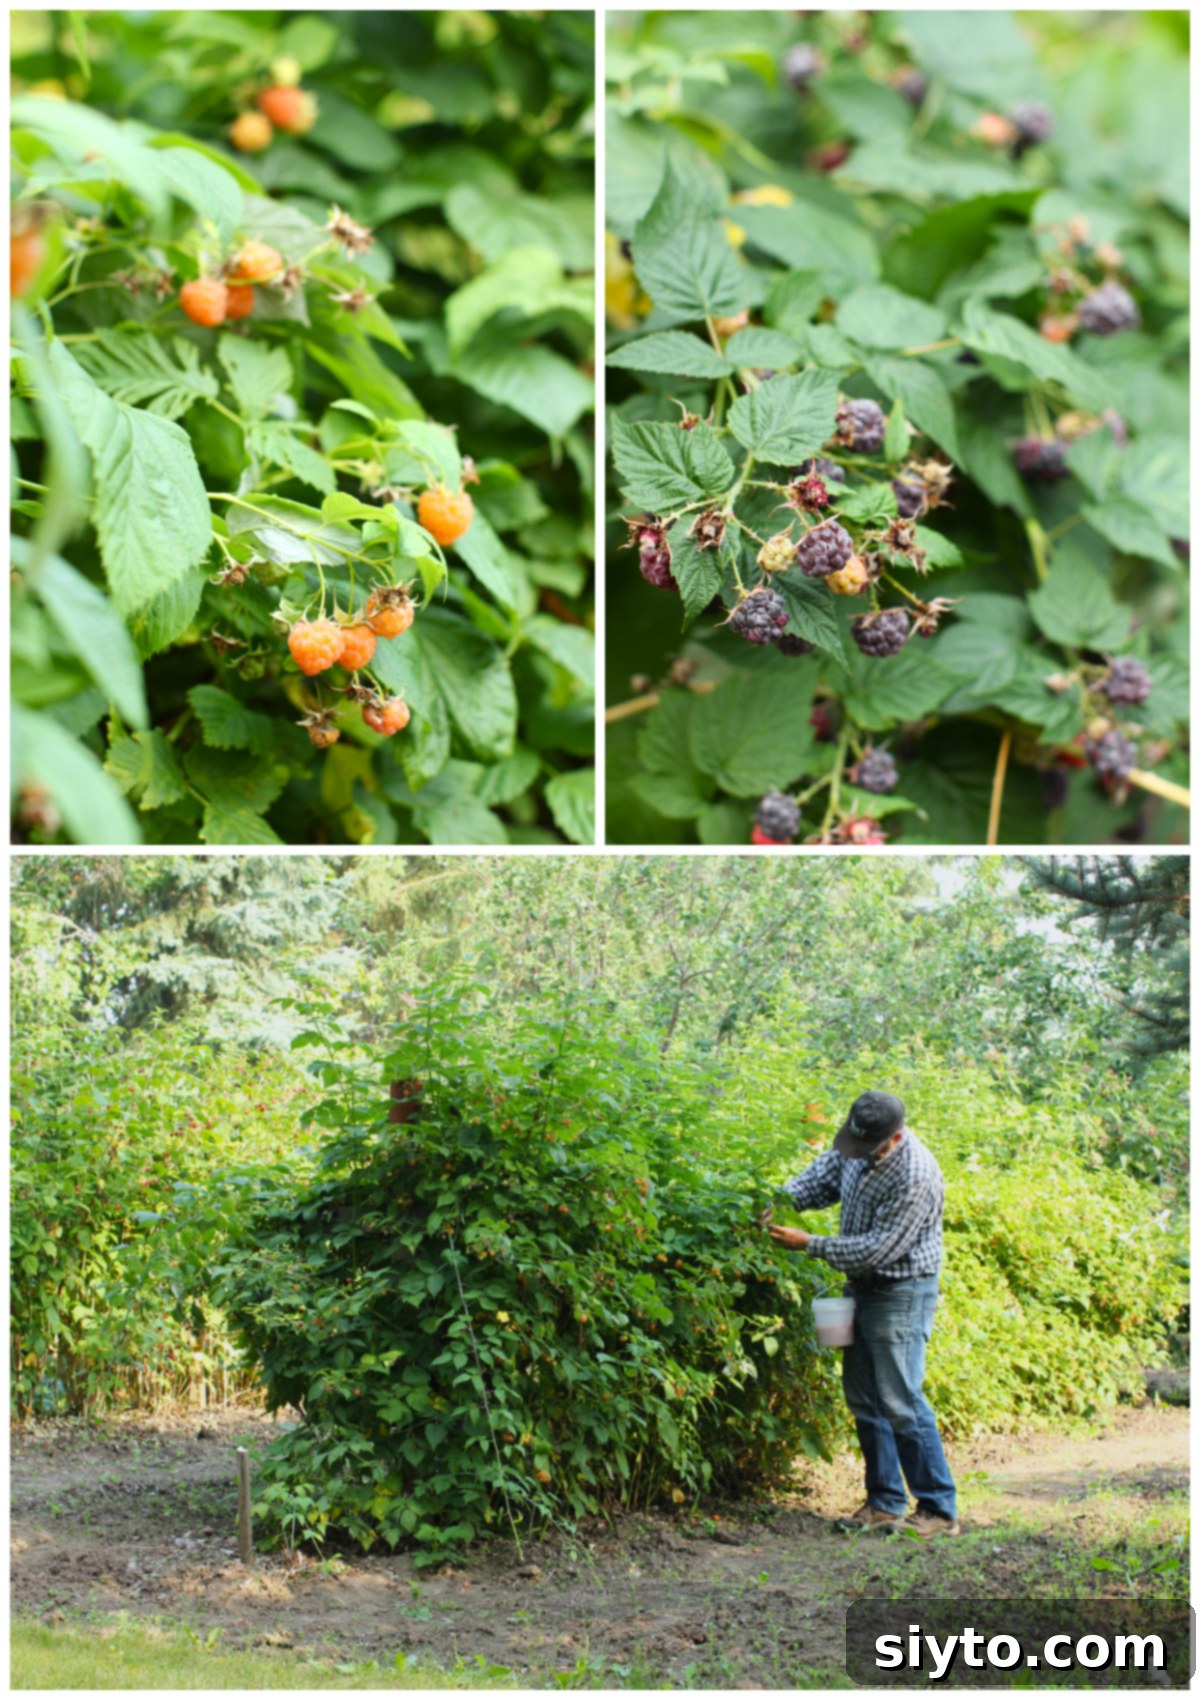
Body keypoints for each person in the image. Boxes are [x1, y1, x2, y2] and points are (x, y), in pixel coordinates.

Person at [761, 1090, 958, 1539]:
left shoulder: (916, 1174)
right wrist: (780, 1201)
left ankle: (938, 1509)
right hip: (861, 1286)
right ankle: (885, 1502)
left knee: (902, 1400)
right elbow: (821, 1178)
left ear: (895, 1138)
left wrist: (809, 1243)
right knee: (865, 1399)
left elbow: (877, 1249)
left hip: (902, 1290)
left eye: (867, 1150)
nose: (856, 1155)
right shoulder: (856, 1146)